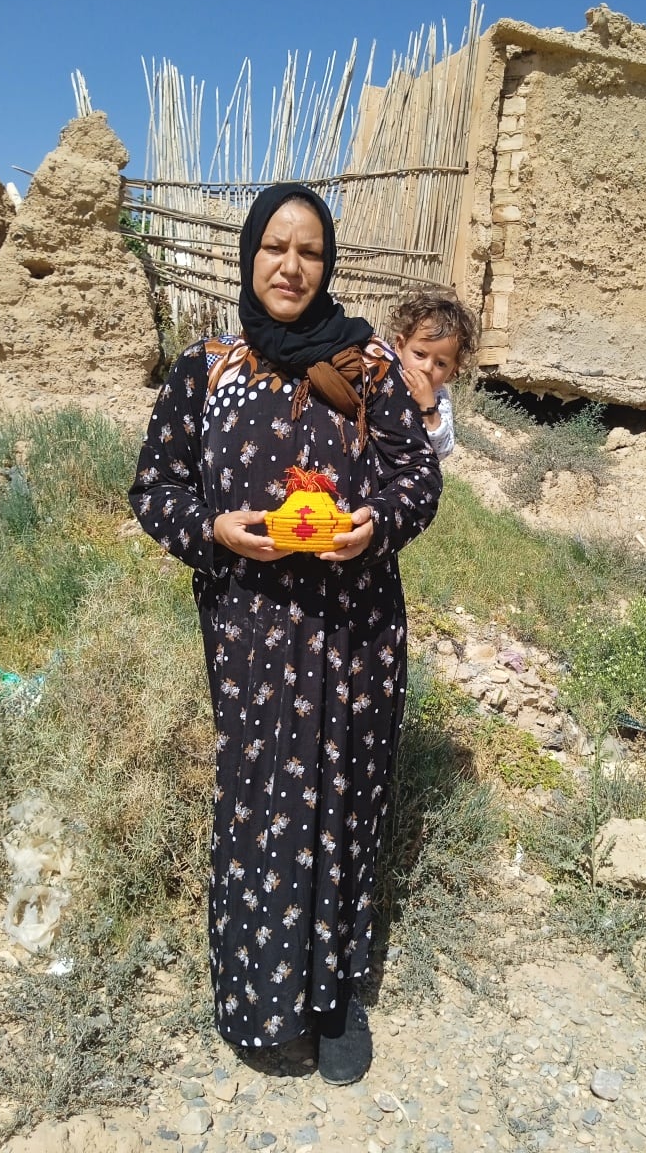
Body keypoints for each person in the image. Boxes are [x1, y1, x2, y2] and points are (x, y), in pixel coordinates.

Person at [129, 184, 442, 1086]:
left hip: (354, 630)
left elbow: (416, 478)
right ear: (249, 255)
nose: (291, 267)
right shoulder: (206, 368)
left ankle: (336, 1002)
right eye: (274, 247)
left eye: (308, 251)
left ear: (328, 262)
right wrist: (214, 531)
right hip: (252, 637)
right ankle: (260, 1003)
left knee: (345, 805)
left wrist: (373, 525)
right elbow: (156, 489)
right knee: (261, 804)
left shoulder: (370, 361)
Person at [389, 289, 480, 460]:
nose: (426, 367)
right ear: (400, 346)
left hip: (406, 472)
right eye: (420, 354)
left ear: (452, 371)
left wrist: (428, 409)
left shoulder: (439, 400)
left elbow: (443, 450)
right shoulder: (384, 377)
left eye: (441, 364)